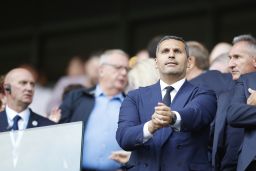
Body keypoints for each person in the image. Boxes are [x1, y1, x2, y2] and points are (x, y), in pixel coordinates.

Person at [116, 35, 217, 171]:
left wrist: (172, 117)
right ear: (156, 63)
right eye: (165, 51)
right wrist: (151, 126)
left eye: (177, 51)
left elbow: (195, 114)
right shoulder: (135, 97)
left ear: (189, 62)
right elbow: (124, 137)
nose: (171, 55)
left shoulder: (204, 94)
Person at [59, 49, 129, 171]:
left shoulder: (132, 104)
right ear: (101, 70)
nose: (123, 73)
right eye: (118, 68)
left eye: (126, 69)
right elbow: (58, 134)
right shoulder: (77, 97)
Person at [212, 34, 256, 171]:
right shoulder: (224, 97)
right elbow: (211, 143)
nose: (230, 64)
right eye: (230, 58)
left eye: (237, 57)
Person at [0, 68, 54, 132]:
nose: (29, 88)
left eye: (32, 84)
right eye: (23, 83)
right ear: (7, 88)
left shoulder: (48, 126)